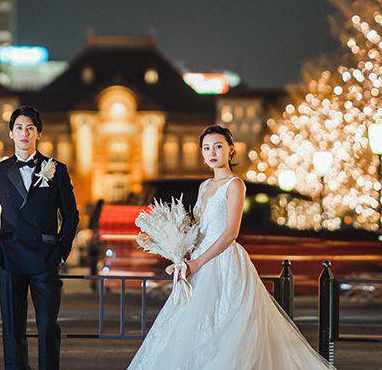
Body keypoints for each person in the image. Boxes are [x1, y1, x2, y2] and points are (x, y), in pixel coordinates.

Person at [127, 125, 332, 369]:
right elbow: (196, 228)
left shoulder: (235, 184)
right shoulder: (204, 186)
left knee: (225, 327)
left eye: (218, 147)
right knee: (193, 325)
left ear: (230, 151)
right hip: (197, 262)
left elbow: (230, 233)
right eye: (206, 148)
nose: (212, 152)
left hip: (223, 263)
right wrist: (178, 249)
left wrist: (197, 263)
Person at [0, 105, 79, 370]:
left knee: (47, 327)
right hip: (10, 257)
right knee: (12, 327)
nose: (25, 133)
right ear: (11, 134)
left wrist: (60, 250)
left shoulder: (56, 169)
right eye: (19, 128)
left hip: (45, 257)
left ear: (39, 134)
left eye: (30, 128)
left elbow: (71, 216)